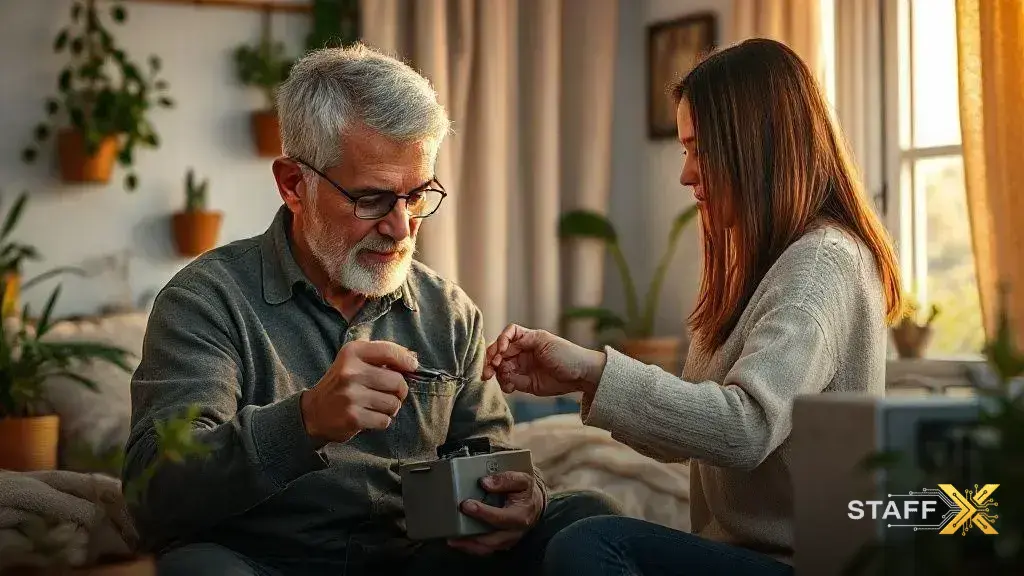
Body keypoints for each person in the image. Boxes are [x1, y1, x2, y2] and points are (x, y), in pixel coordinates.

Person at [122, 43, 618, 576]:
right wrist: (306, 421)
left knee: (590, 523)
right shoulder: (205, 300)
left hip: (417, 561)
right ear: (294, 184)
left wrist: (523, 500)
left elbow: (487, 454)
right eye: (372, 199)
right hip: (261, 562)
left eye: (418, 195)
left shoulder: (448, 311)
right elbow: (155, 494)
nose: (401, 227)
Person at [481, 38, 905, 576]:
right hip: (744, 556)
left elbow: (745, 428)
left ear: (757, 147)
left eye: (699, 149)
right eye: (685, 150)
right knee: (579, 513)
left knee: (591, 545)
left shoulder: (821, 263)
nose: (685, 173)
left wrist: (595, 367)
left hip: (803, 564)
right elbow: (700, 438)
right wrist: (583, 382)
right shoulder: (764, 267)